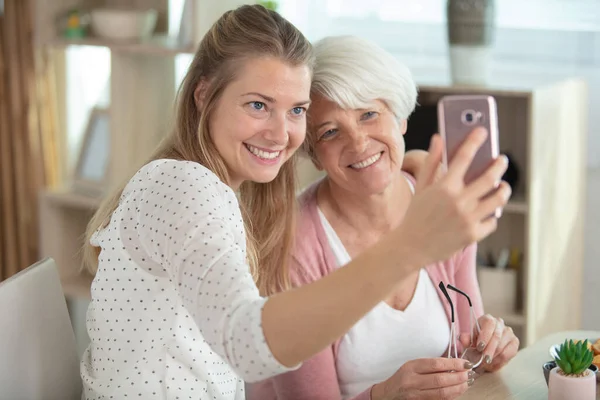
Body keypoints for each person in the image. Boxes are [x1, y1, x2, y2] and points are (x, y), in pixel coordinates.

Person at [80, 6, 511, 399]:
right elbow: (247, 346)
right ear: (203, 94)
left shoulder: (218, 191)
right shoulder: (184, 186)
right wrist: (410, 247)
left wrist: (410, 172)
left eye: (296, 110)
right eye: (257, 105)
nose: (279, 133)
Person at [248, 35, 519, 400]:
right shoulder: (291, 246)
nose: (358, 143)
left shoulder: (442, 208)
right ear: (313, 155)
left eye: (369, 114)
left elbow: (467, 356)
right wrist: (385, 394)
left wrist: (491, 348)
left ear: (401, 118)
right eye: (330, 132)